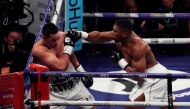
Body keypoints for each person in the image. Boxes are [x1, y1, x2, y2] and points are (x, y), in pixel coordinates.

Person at [71, 19, 175, 109]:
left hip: (153, 76)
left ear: (124, 34)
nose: (112, 33)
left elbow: (139, 76)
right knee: (166, 105)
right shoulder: (118, 35)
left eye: (115, 31)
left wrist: (120, 62)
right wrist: (81, 34)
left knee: (133, 106)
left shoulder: (138, 46)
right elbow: (98, 36)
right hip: (153, 73)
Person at [32, 23, 95, 109]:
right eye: (53, 40)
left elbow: (70, 54)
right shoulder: (38, 50)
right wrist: (69, 46)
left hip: (74, 84)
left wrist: (80, 69)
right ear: (44, 37)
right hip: (55, 91)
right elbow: (61, 67)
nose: (57, 42)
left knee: (92, 107)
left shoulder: (62, 36)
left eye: (58, 38)